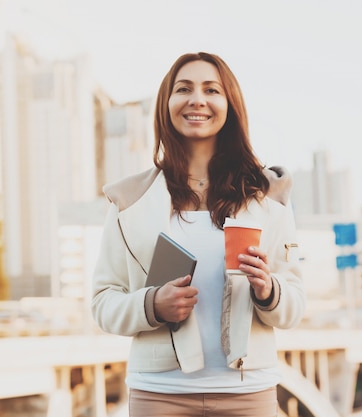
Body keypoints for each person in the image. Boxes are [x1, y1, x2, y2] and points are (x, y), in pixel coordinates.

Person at [91, 52, 306, 417]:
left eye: (212, 90)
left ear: (229, 105)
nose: (197, 100)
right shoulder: (129, 200)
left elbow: (295, 306)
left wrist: (269, 291)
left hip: (249, 395)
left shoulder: (268, 196)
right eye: (183, 89)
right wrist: (152, 304)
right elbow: (102, 302)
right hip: (159, 394)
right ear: (166, 104)